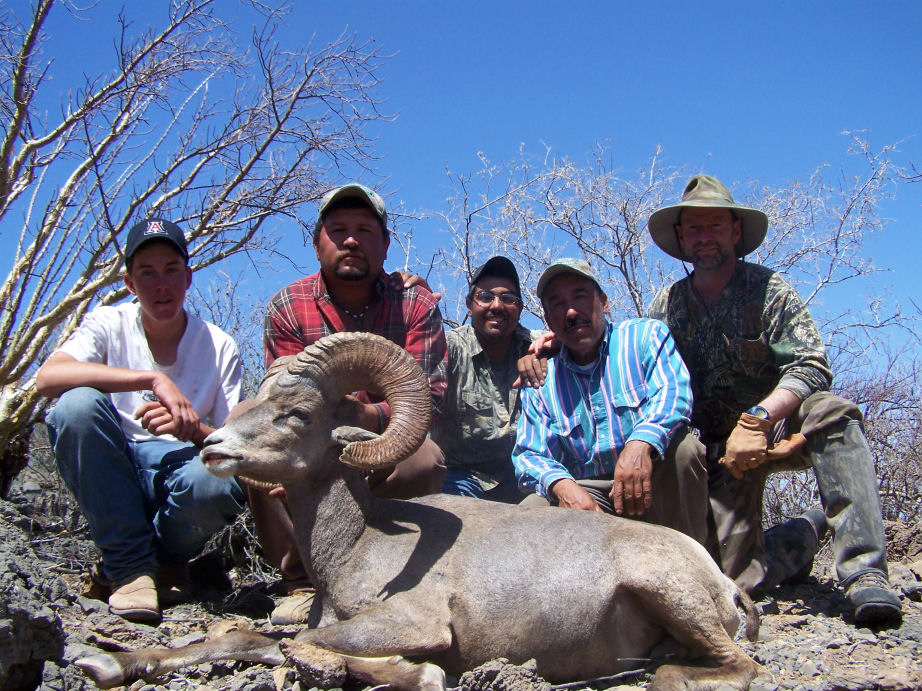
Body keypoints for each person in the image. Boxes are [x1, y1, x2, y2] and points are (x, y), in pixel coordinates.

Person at [645, 174, 902, 624]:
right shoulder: (665, 305)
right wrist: (552, 341)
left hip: (775, 432)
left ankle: (865, 571)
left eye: (715, 226)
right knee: (730, 580)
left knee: (831, 411)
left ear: (736, 232)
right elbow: (638, 370)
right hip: (711, 458)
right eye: (695, 228)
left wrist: (760, 421)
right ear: (681, 237)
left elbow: (811, 365)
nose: (705, 237)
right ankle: (803, 532)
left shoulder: (769, 290)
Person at [251, 182, 448, 624]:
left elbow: (428, 400)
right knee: (251, 438)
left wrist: (368, 417)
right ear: (317, 242)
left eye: (364, 229)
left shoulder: (415, 304)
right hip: (312, 441)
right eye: (338, 229)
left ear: (385, 245)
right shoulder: (287, 306)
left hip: (381, 437)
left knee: (426, 461)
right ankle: (302, 581)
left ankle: (392, 570)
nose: (352, 240)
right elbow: (280, 396)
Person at [36, 217, 245, 623]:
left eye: (170, 270)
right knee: (75, 405)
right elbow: (48, 378)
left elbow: (232, 445)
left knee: (222, 477)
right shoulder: (107, 323)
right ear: (130, 284)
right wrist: (152, 378)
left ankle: (164, 561)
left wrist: (192, 428)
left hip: (177, 472)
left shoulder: (219, 345)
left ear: (188, 277)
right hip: (115, 473)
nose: (160, 284)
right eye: (146, 273)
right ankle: (131, 569)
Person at [512, 259, 708, 543]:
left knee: (685, 449)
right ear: (548, 321)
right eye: (557, 305)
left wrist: (640, 443)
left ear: (603, 302)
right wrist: (562, 486)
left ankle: (693, 568)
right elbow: (530, 454)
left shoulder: (645, 337)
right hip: (591, 495)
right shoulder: (541, 380)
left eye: (580, 297)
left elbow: (674, 394)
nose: (570, 311)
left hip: (652, 476)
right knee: (532, 509)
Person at [432, 256, 540, 503]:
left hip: (524, 477)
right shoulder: (446, 349)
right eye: (486, 297)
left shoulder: (538, 346)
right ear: (469, 304)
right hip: (461, 477)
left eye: (508, 298)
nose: (497, 306)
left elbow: (573, 341)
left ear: (521, 308)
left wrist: (548, 351)